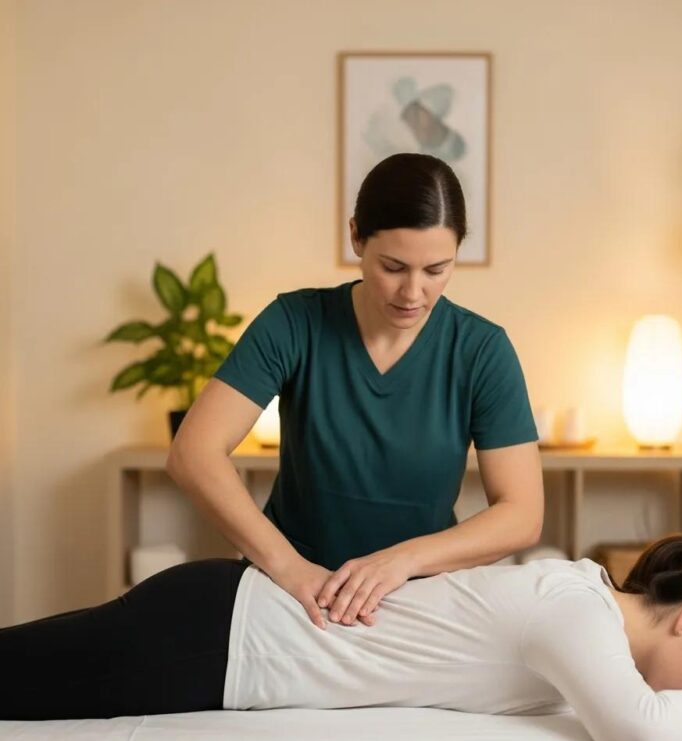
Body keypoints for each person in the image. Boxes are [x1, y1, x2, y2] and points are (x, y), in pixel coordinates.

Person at [2, 534, 682, 741]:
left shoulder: (583, 617)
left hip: (218, 638)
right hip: (214, 635)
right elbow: (645, 738)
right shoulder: (575, 612)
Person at [166, 152, 544, 630]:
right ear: (356, 237)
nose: (412, 293)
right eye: (393, 266)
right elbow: (193, 453)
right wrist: (287, 567)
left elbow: (522, 514)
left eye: (436, 270)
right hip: (292, 596)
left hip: (419, 597)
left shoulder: (482, 349)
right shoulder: (294, 323)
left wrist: (400, 562)